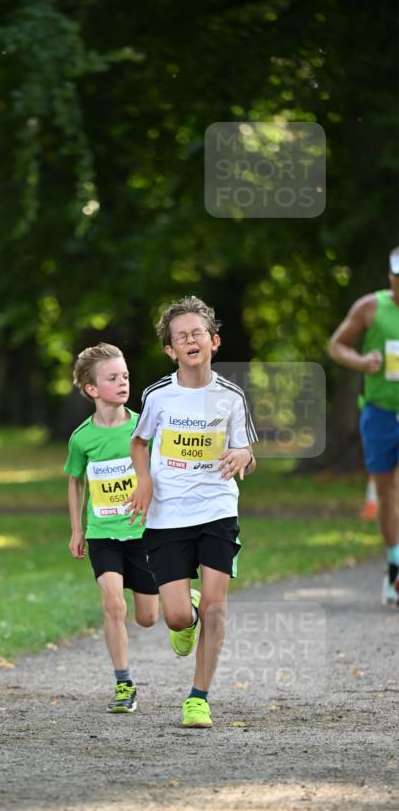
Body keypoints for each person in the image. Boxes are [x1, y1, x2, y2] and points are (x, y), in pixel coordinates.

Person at [127, 296, 257, 729]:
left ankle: (198, 697)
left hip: (217, 508)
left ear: (214, 341)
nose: (189, 339)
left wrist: (242, 456)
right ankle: (188, 611)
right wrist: (143, 481)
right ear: (170, 350)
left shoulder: (231, 396)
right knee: (179, 615)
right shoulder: (158, 395)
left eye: (197, 332)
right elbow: (139, 442)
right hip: (167, 514)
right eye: (180, 336)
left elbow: (246, 452)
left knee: (218, 607)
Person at [65, 343, 159, 714]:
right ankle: (124, 683)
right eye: (113, 378)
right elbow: (74, 481)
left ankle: (187, 604)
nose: (123, 383)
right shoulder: (81, 438)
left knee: (148, 618)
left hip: (141, 532)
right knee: (113, 603)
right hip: (103, 534)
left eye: (125, 376)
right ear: (92, 389)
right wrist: (77, 529)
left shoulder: (142, 427)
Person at [328, 247, 399, 606]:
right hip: (380, 412)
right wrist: (361, 360)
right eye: (398, 277)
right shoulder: (370, 307)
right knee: (387, 491)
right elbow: (337, 345)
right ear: (390, 277)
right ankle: (394, 566)